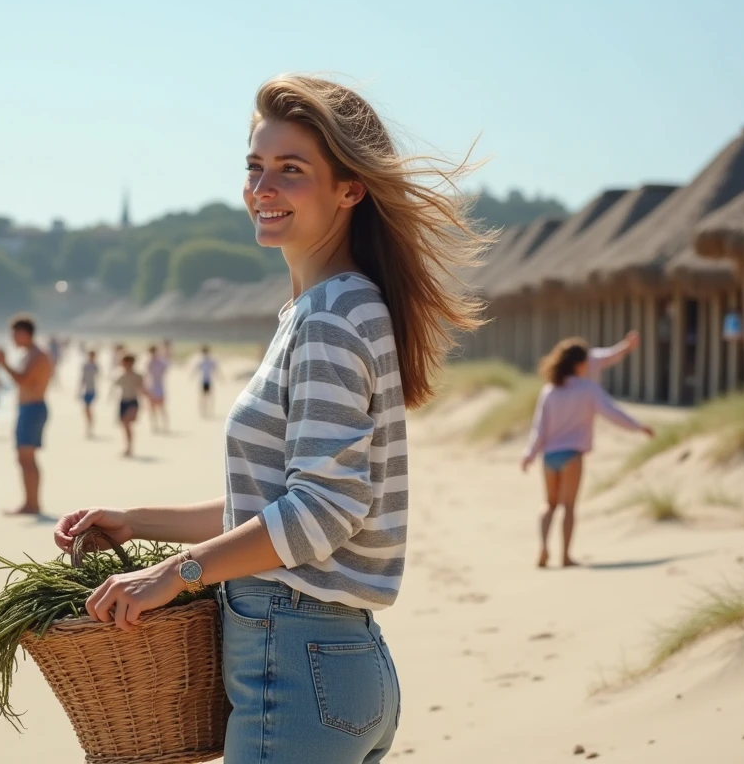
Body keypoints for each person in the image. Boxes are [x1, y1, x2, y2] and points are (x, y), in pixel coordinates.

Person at [52, 74, 489, 763]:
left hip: (294, 659)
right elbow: (277, 506)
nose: (263, 187)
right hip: (336, 659)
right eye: (255, 167)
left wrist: (175, 574)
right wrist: (138, 522)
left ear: (350, 189)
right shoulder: (329, 310)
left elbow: (322, 509)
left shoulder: (331, 319)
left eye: (291, 170)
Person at [521, 338, 655, 569]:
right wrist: (638, 426)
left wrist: (528, 455)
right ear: (579, 364)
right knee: (569, 507)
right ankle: (565, 557)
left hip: (549, 457)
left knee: (549, 505)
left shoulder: (549, 391)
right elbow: (613, 413)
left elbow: (539, 428)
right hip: (572, 455)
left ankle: (544, 547)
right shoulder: (588, 389)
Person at [0, 315, 53, 516]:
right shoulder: (30, 354)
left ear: (25, 334)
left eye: (15, 334)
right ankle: (30, 502)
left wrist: (3, 363)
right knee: (24, 457)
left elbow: (23, 380)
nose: (13, 338)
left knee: (27, 457)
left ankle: (33, 504)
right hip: (29, 408)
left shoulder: (37, 355)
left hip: (33, 408)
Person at [111, 353, 145, 457]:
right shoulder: (120, 375)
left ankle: (129, 447)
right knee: (125, 426)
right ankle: (128, 447)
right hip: (123, 401)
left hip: (133, 402)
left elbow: (143, 389)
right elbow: (113, 386)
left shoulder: (138, 376)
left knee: (127, 423)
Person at [145, 344, 169, 433]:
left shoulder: (152, 361)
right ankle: (158, 425)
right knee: (157, 408)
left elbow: (146, 375)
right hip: (156, 387)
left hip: (155, 387)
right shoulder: (159, 361)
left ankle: (158, 425)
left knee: (157, 408)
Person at [195, 345, 221, 418]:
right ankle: (204, 411)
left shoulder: (209, 361)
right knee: (204, 397)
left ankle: (207, 411)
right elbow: (196, 369)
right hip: (204, 381)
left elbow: (216, 370)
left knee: (208, 397)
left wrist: (220, 378)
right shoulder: (202, 361)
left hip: (207, 381)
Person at [79, 349, 101, 437]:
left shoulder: (96, 366)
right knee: (86, 410)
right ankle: (88, 426)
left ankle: (90, 427)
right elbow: (83, 378)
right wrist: (79, 389)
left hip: (92, 389)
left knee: (88, 408)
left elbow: (98, 378)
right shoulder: (85, 365)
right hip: (86, 390)